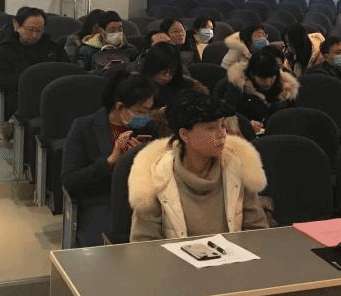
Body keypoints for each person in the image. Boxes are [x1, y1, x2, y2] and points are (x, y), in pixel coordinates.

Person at [128, 90, 269, 242]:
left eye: (222, 125)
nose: (222, 134)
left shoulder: (238, 167)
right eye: (211, 128)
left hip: (233, 256)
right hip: (174, 258)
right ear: (184, 135)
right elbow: (144, 246)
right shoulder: (155, 177)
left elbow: (257, 233)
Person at [62, 71, 156, 247]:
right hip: (102, 200)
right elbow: (70, 180)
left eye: (148, 111)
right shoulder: (84, 128)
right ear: (120, 107)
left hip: (142, 200)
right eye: (140, 111)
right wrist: (110, 161)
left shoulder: (149, 129)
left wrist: (144, 158)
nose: (146, 116)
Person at [0, 7, 67, 135]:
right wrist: (27, 81)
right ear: (17, 26)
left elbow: (66, 71)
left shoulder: (52, 48)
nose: (35, 35)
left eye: (39, 30)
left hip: (51, 94)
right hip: (17, 95)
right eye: (30, 30)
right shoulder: (5, 49)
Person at [226, 47, 300, 129]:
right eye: (263, 78)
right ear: (252, 75)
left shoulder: (285, 89)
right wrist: (246, 123)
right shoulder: (238, 89)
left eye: (272, 77)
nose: (268, 82)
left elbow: (293, 114)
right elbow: (228, 116)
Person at [140, 41, 204, 107]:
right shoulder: (138, 88)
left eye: (171, 72)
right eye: (163, 73)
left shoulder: (187, 87)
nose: (167, 77)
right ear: (152, 68)